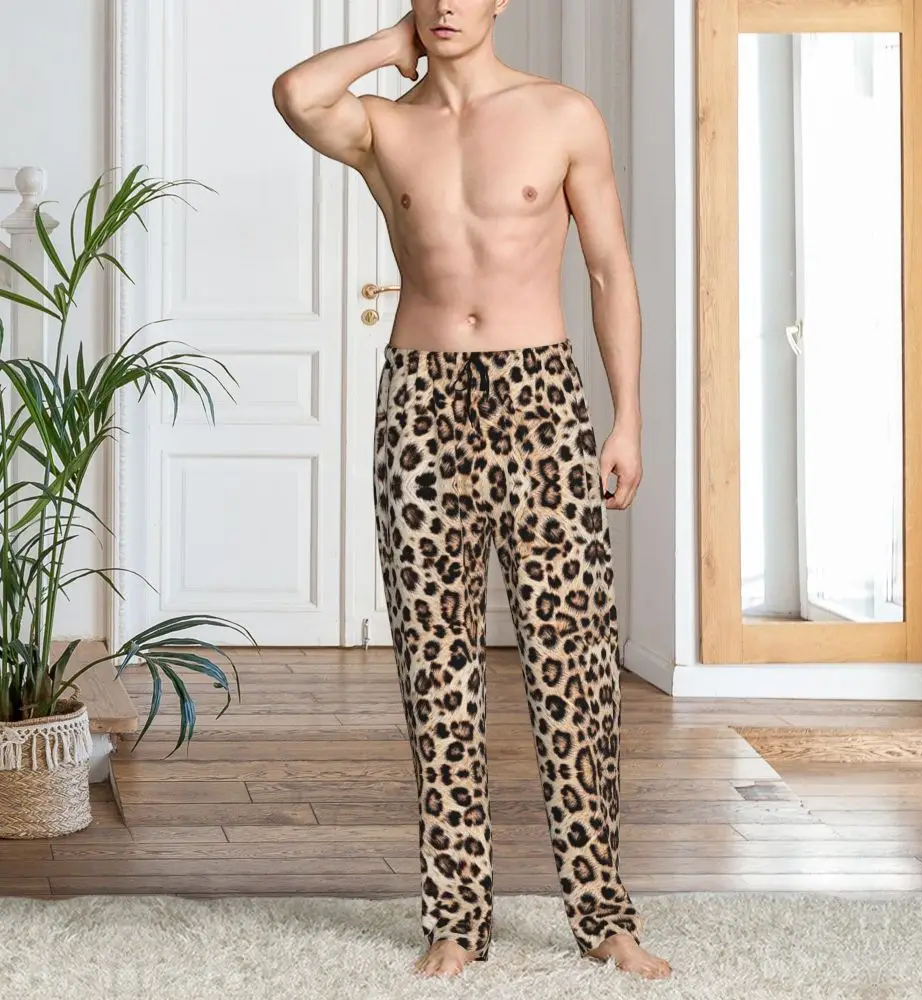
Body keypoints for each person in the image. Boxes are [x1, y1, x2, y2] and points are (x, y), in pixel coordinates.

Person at [272, 0, 670, 981]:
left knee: (574, 666)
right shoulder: (382, 126)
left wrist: (626, 417)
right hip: (420, 400)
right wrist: (388, 46)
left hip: (542, 397)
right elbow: (295, 92)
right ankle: (455, 919)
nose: (449, 4)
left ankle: (604, 917)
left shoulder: (562, 114)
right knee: (435, 664)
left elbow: (609, 270)